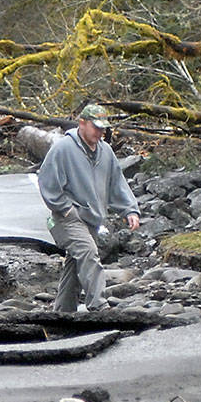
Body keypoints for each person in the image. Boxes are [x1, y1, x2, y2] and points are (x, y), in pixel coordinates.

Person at [36, 104, 141, 312]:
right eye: (96, 127)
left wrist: (129, 209)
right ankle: (98, 305)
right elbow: (46, 181)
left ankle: (63, 312)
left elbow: (117, 183)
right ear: (82, 123)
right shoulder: (63, 148)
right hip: (66, 219)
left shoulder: (106, 151)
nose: (100, 132)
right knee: (88, 253)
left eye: (103, 129)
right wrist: (66, 208)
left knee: (75, 265)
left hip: (91, 220)